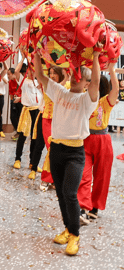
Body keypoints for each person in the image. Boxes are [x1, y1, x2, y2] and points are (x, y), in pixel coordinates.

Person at [33, 52, 99, 256]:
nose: (74, 76)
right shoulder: (60, 92)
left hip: (75, 152)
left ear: (86, 83)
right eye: (74, 73)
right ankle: (68, 228)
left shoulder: (88, 100)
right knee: (61, 193)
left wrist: (96, 55)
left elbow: (97, 81)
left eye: (80, 76)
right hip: (57, 149)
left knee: (70, 193)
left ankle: (75, 235)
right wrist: (37, 55)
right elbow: (41, 76)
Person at [77, 65, 118, 221]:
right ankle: (82, 207)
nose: (89, 86)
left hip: (103, 141)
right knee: (83, 174)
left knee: (102, 176)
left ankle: (95, 207)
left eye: (92, 83)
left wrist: (112, 69)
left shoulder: (106, 101)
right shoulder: (84, 98)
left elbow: (115, 89)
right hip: (85, 139)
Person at [13, 58, 42, 170]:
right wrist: (24, 58)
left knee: (35, 138)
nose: (32, 72)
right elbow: (16, 72)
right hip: (27, 111)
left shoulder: (40, 83)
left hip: (37, 111)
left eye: (34, 70)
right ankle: (17, 159)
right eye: (31, 70)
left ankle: (32, 162)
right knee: (23, 136)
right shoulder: (24, 80)